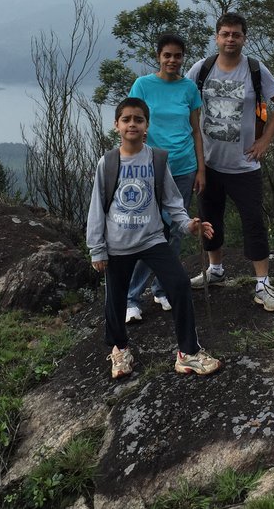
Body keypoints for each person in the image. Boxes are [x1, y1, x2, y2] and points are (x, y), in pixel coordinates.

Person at [86, 97, 222, 379]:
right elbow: (96, 207)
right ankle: (120, 350)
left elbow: (172, 201)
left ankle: (188, 352)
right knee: (115, 299)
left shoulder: (157, 159)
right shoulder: (108, 162)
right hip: (117, 244)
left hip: (152, 239)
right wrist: (97, 249)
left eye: (138, 119)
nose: (132, 124)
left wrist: (188, 224)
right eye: (126, 119)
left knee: (179, 284)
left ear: (147, 126)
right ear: (116, 126)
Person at [186, 13, 274, 312]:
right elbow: (185, 103)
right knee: (210, 221)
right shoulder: (201, 69)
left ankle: (262, 283)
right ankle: (215, 269)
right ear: (216, 37)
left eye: (236, 35)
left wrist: (265, 140)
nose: (230, 39)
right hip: (209, 164)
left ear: (244, 38)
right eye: (225, 34)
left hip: (245, 166)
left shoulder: (255, 70)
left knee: (254, 222)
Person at [124, 33, 205, 324]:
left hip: (183, 167)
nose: (172, 60)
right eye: (167, 55)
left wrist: (201, 169)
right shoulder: (143, 85)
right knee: (148, 231)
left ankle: (161, 288)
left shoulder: (188, 88)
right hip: (151, 167)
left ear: (183, 57)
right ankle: (131, 297)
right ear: (158, 56)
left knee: (174, 230)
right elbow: (131, 124)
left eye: (178, 55)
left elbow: (196, 130)